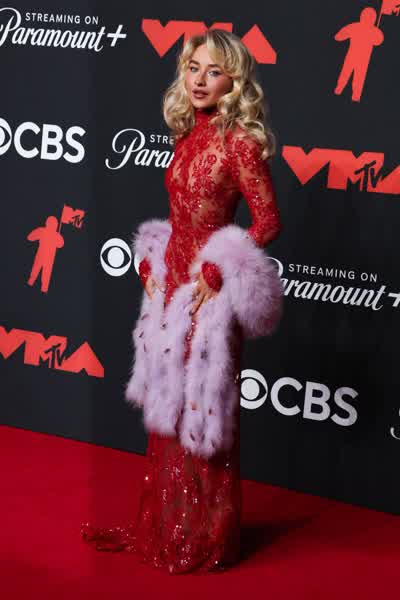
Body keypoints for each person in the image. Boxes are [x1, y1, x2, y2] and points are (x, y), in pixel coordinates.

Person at [81, 29, 283, 574]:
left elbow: (268, 220)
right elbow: (181, 219)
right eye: (193, 67)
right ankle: (168, 526)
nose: (199, 80)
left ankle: (208, 538)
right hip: (171, 288)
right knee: (169, 405)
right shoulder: (186, 135)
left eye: (213, 71)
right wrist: (153, 261)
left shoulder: (239, 143)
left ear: (233, 81)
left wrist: (218, 268)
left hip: (209, 297)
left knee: (204, 409)